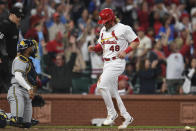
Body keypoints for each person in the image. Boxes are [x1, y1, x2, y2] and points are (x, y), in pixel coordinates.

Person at [88, 8, 140, 129]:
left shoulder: (124, 28)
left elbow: (136, 42)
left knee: (101, 86)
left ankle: (112, 114)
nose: (104, 23)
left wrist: (126, 51)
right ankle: (126, 117)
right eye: (103, 21)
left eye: (106, 21)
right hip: (106, 63)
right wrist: (94, 48)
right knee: (113, 93)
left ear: (112, 19)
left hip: (117, 62)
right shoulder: (103, 30)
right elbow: (101, 46)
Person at [7, 39, 38, 128]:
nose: (33, 48)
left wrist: (32, 89)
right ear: (27, 49)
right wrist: (29, 88)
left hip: (26, 93)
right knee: (16, 120)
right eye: (32, 47)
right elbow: (18, 76)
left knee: (26, 124)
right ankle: (2, 116)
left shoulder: (28, 61)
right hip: (18, 90)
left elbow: (30, 79)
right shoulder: (20, 59)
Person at [0, 7, 24, 93]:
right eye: (18, 16)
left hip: (11, 60)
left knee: (10, 83)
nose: (19, 19)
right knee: (5, 84)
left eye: (20, 17)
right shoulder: (4, 26)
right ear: (11, 15)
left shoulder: (14, 27)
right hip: (4, 60)